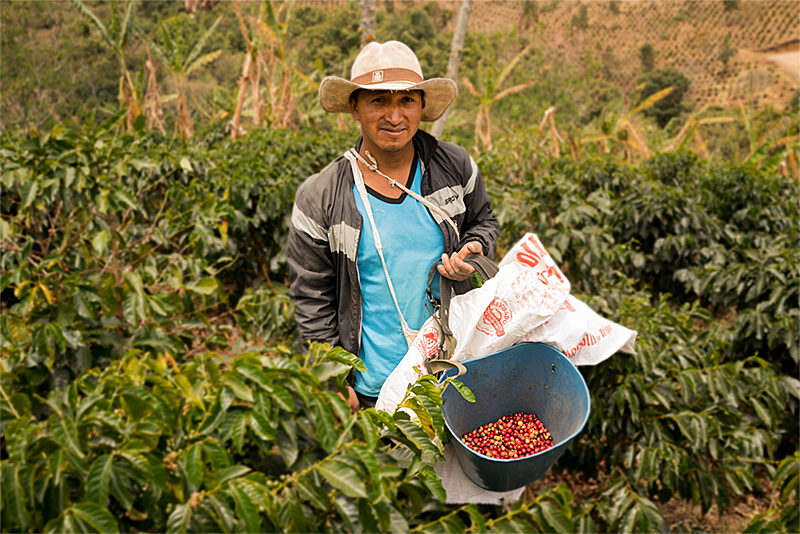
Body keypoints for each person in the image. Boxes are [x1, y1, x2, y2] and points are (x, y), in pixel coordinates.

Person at [287, 41, 499, 412]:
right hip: (373, 389)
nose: (395, 116)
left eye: (406, 101)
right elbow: (312, 297)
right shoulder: (321, 197)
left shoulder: (456, 166)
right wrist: (334, 378)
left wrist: (475, 248)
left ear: (421, 106)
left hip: (453, 374)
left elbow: (483, 221)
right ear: (355, 107)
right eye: (378, 101)